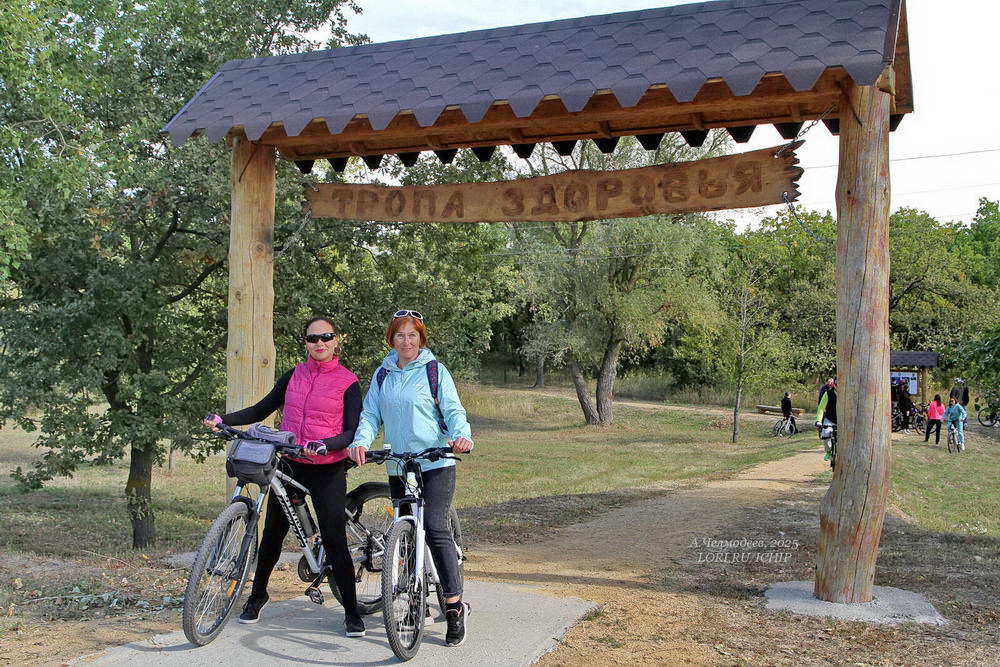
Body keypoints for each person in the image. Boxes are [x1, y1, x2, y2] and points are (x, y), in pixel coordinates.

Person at [203, 316, 367, 637]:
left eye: (326, 337)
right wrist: (224, 420)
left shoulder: (348, 381)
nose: (319, 343)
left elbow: (352, 431)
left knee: (334, 539)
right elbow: (261, 409)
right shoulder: (294, 375)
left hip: (327, 467)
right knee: (272, 534)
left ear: (336, 340)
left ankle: (351, 610)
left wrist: (327, 443)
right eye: (312, 338)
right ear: (305, 342)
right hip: (290, 462)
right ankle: (257, 596)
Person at [347, 309, 474, 647]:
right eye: (400, 335)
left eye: (412, 335)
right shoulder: (383, 374)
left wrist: (461, 435)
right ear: (392, 339)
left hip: (435, 462)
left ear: (421, 339)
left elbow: (453, 409)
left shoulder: (435, 371)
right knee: (403, 535)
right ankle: (414, 602)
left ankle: (453, 606)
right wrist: (361, 441)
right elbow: (370, 414)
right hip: (399, 466)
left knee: (434, 526)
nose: (407, 341)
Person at [815, 378, 837, 460]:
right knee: (826, 433)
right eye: (836, 384)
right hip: (830, 419)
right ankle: (828, 452)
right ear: (834, 384)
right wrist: (818, 420)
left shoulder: (848, 393)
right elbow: (821, 407)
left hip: (843, 421)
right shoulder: (828, 393)